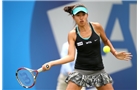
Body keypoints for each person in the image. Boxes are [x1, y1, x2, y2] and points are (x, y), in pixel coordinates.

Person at [42, 4, 132, 90]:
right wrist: (52, 63)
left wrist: (115, 53)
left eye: (83, 14)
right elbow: (70, 57)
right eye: (78, 15)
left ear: (87, 15)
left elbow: (106, 40)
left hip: (99, 71)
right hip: (80, 71)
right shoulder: (72, 34)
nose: (81, 18)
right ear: (73, 17)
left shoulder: (97, 27)